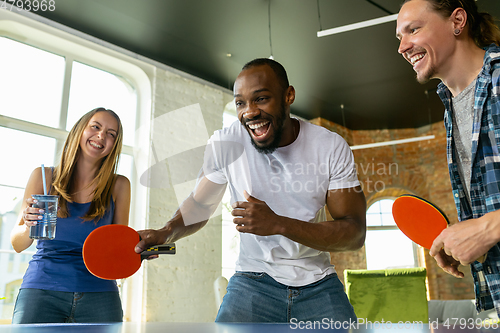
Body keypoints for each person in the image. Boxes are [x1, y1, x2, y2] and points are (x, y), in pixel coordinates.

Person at [135, 58, 366, 323]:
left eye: (261, 99)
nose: (250, 112)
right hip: (253, 279)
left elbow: (354, 232)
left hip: (318, 281)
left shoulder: (329, 147)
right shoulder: (226, 142)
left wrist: (278, 223)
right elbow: (200, 205)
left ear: (288, 96)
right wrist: (167, 232)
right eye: (240, 103)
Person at [397, 0, 500, 315]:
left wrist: (487, 229)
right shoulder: (452, 110)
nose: (403, 47)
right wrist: (461, 234)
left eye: (413, 29)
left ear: (457, 21)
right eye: (399, 37)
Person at [10, 107, 131, 323]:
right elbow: (18, 244)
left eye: (111, 134)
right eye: (95, 127)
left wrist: (139, 249)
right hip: (42, 289)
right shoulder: (44, 177)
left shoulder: (119, 186)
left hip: (100, 293)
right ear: (79, 131)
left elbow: (119, 249)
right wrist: (29, 225)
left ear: (114, 145)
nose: (101, 135)